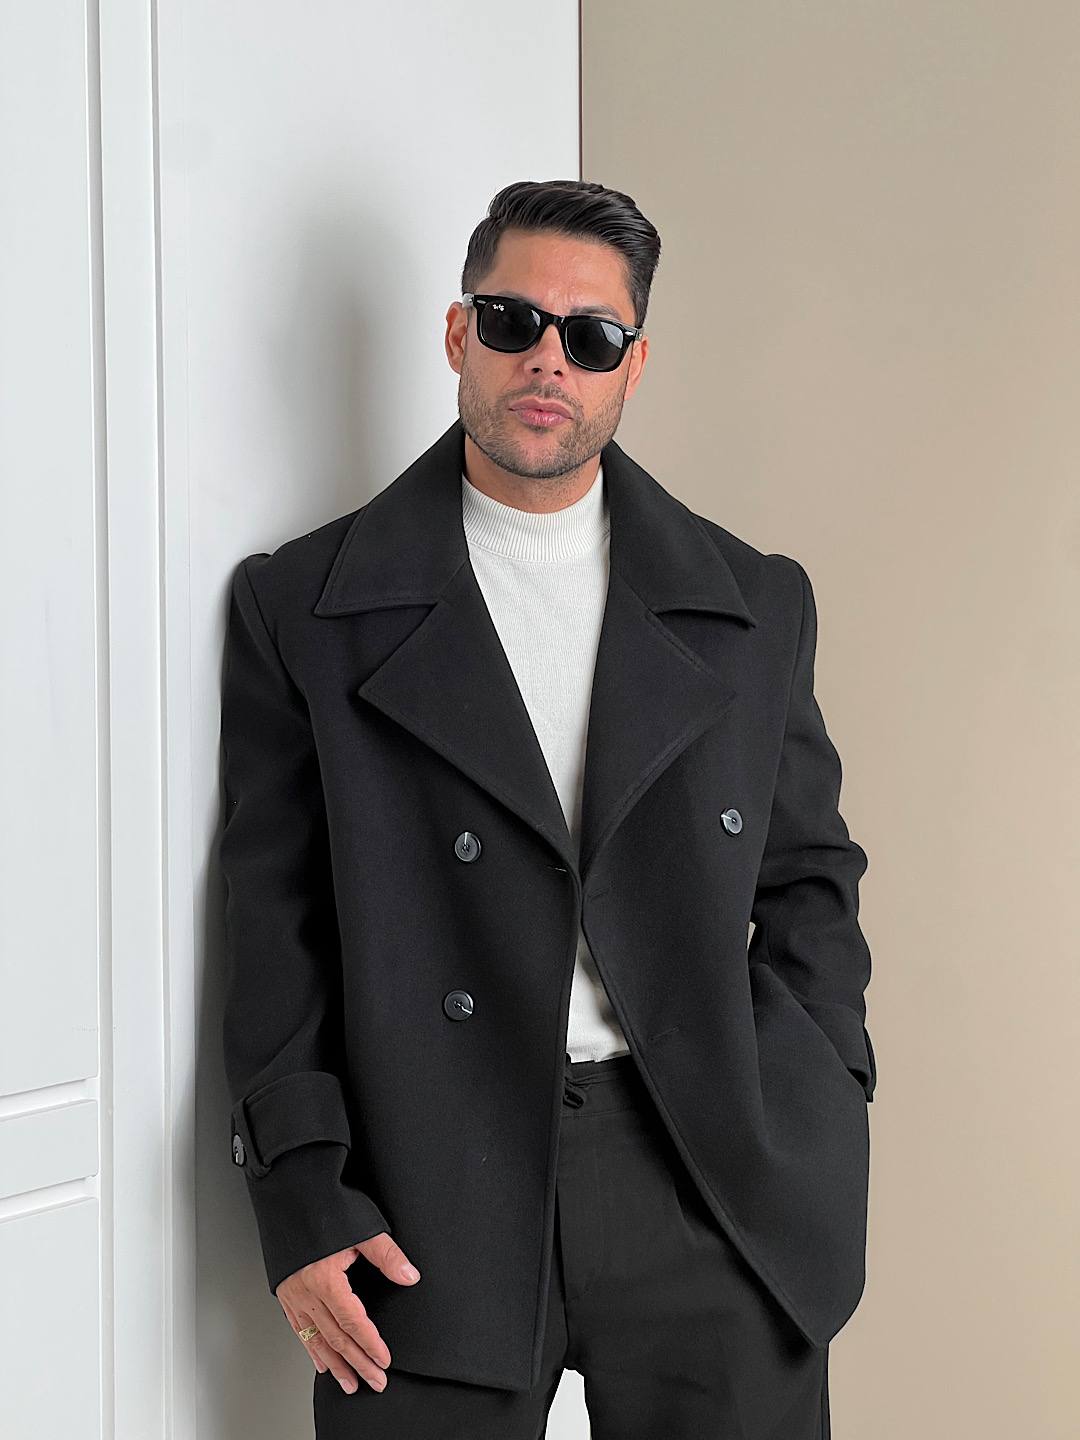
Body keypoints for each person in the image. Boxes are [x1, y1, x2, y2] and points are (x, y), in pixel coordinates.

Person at [219, 178, 875, 1439]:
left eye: (592, 336)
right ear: (459, 333)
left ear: (635, 367)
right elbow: (273, 924)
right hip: (424, 1179)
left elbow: (811, 883)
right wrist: (301, 1194)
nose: (547, 361)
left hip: (703, 1174)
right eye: (514, 321)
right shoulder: (305, 607)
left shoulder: (752, 604)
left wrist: (822, 1093)